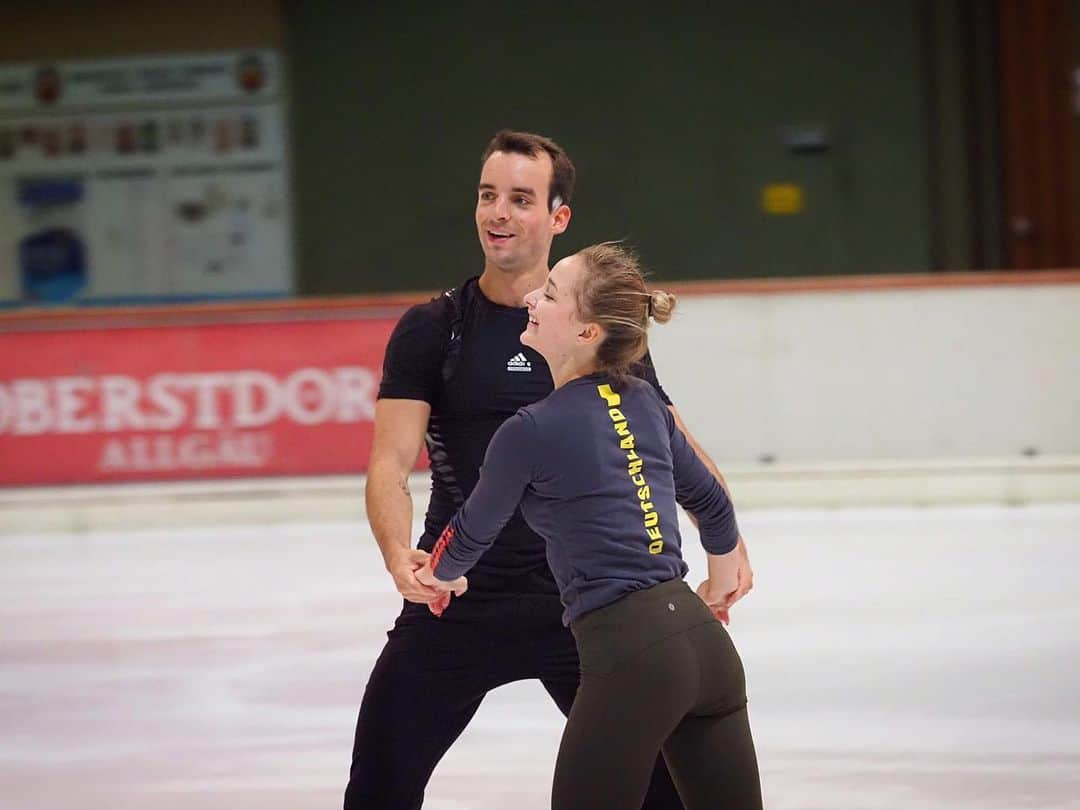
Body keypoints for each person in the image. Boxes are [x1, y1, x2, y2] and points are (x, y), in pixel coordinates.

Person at [344, 130, 754, 809]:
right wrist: (400, 558)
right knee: (379, 788)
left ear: (558, 217)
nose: (497, 213)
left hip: (583, 612)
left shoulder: (594, 332)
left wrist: (731, 549)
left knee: (663, 798)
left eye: (519, 199)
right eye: (487, 196)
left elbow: (673, 444)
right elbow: (390, 463)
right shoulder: (434, 328)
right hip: (460, 609)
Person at [417, 242, 762, 809]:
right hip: (707, 650)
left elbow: (470, 531)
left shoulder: (529, 429)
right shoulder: (646, 402)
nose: (532, 296)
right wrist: (719, 587)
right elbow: (714, 506)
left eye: (550, 293)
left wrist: (439, 575)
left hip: (634, 657)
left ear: (587, 333)